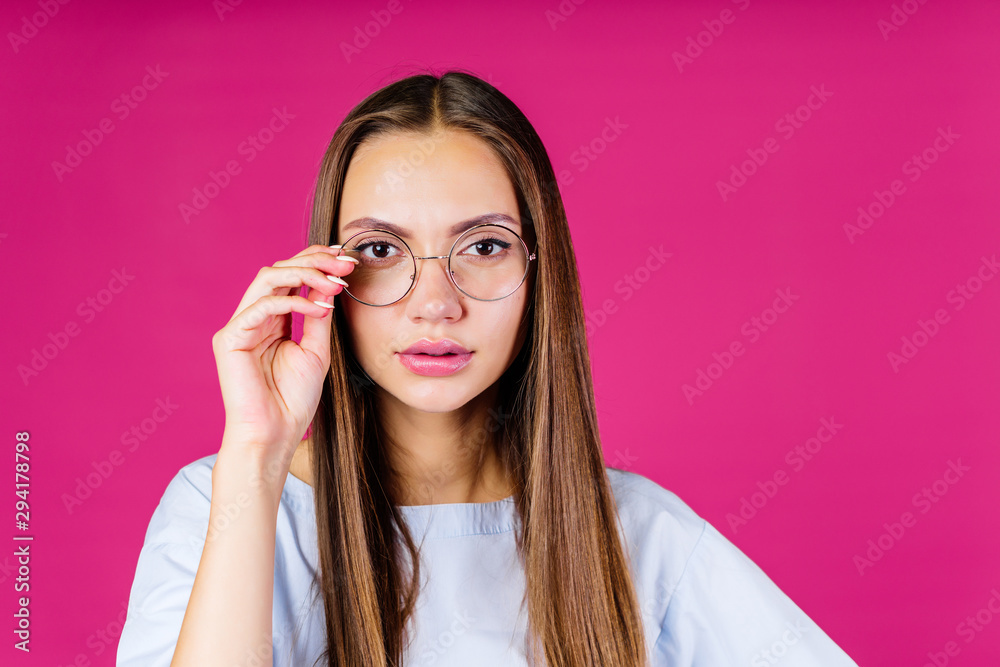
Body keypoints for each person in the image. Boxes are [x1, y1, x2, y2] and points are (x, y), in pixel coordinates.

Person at [117, 70, 859, 667]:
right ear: (328, 276)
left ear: (541, 270)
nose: (434, 304)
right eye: (381, 250)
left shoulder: (641, 535)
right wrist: (256, 451)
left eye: (483, 245)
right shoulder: (227, 505)